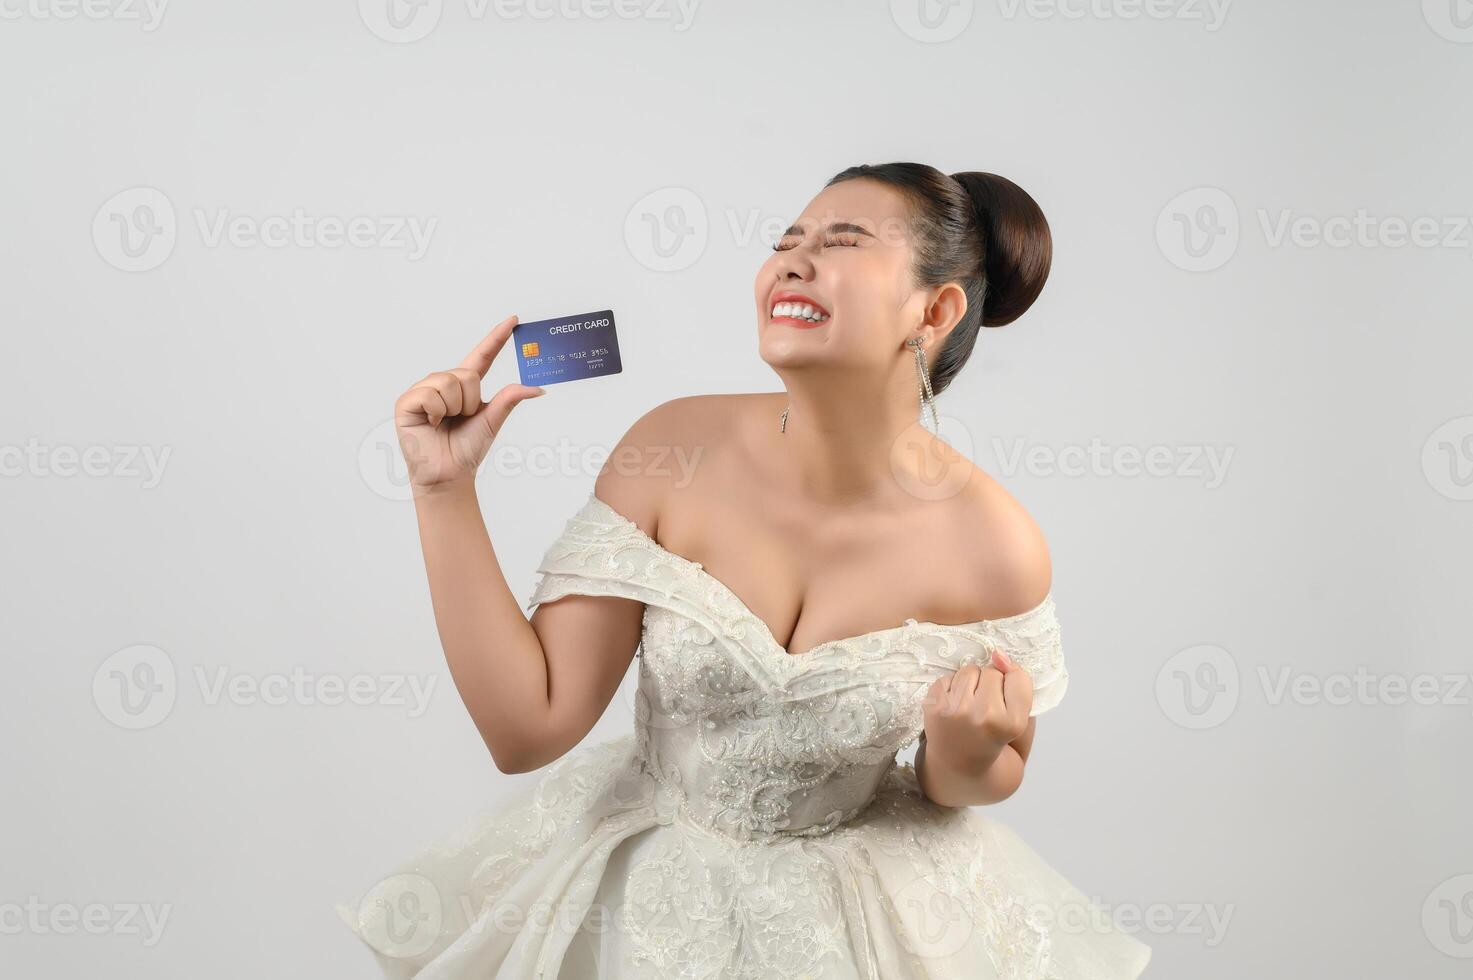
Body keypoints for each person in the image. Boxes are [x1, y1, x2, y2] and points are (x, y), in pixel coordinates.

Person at [338, 162, 1152, 978]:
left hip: (855, 928)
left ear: (933, 311)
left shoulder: (996, 545)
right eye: (785, 242)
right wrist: (443, 489)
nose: (792, 262)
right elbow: (528, 727)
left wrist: (965, 756)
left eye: (842, 242)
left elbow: (974, 777)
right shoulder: (672, 450)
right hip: (641, 912)